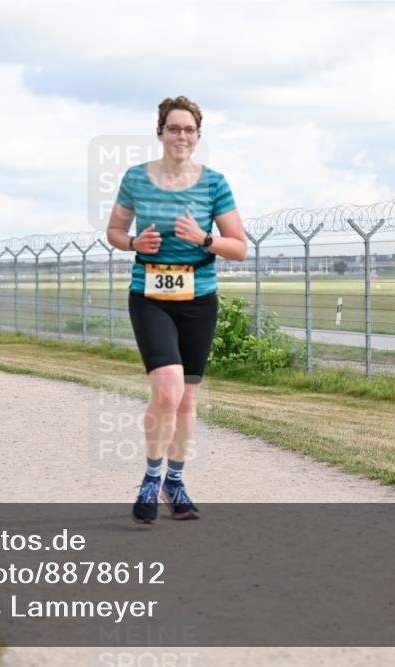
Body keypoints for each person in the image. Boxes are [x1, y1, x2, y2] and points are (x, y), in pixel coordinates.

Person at [106, 96, 247, 524]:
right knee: (167, 389)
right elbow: (114, 230)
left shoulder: (214, 183)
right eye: (174, 128)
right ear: (161, 132)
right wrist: (133, 243)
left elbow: (238, 247)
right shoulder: (136, 178)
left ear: (198, 136)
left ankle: (176, 481)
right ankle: (151, 478)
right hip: (149, 296)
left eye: (189, 130)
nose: (181, 136)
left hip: (198, 300)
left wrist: (202, 238)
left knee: (187, 401)